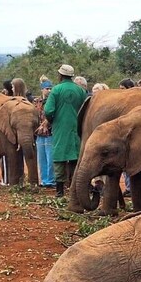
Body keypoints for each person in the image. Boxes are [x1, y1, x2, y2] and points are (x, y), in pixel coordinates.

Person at [44, 64, 88, 197]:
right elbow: (86, 109)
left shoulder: (56, 90)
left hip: (60, 128)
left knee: (59, 156)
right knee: (75, 157)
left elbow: (48, 110)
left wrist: (52, 121)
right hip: (77, 128)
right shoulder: (81, 91)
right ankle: (75, 191)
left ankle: (60, 192)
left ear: (60, 75)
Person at [35, 81, 55, 188]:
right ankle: (44, 180)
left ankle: (51, 180)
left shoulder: (53, 101)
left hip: (50, 133)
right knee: (41, 157)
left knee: (50, 157)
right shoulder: (37, 101)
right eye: (47, 88)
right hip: (39, 133)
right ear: (42, 89)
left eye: (50, 88)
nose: (49, 90)